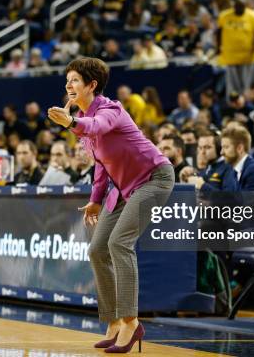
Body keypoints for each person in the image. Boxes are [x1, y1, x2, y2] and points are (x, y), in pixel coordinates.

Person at [47, 57, 174, 353]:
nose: (69, 84)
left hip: (154, 179)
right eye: (67, 80)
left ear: (92, 85)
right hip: (123, 187)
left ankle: (131, 321)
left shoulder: (110, 110)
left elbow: (96, 125)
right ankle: (114, 321)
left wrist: (71, 123)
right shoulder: (85, 126)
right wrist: (94, 202)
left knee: (120, 243)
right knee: (97, 249)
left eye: (75, 79)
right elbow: (101, 168)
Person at [217, 0, 254, 99]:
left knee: (247, 86)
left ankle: (248, 103)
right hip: (230, 56)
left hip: (248, 56)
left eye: (241, 5)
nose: (239, 7)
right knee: (233, 87)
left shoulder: (253, 16)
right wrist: (218, 47)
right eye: (237, 5)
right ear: (234, 4)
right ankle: (233, 104)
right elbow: (219, 32)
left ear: (245, 5)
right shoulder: (224, 16)